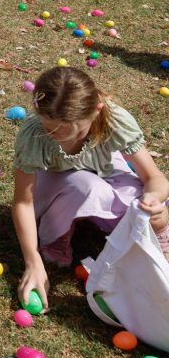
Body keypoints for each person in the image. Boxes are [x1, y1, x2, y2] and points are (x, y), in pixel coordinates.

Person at [12, 67, 169, 312]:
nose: (57, 138)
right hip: (57, 182)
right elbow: (23, 201)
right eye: (50, 129)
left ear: (96, 111)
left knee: (137, 204)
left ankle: (151, 238)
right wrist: (32, 260)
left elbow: (154, 177)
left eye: (71, 132)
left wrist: (154, 199)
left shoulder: (113, 119)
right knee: (87, 187)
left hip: (103, 169)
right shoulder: (34, 134)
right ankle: (56, 235)